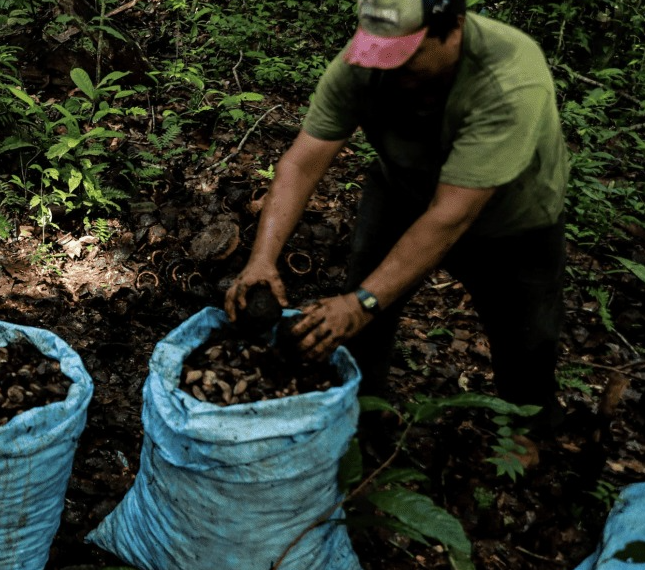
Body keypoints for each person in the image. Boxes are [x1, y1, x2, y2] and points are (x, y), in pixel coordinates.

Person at [224, 0, 569, 433]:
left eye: (403, 58)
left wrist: (362, 302)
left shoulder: (508, 78)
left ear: (454, 28)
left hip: (512, 219)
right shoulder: (365, 62)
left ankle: (530, 429)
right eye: (379, 55)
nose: (386, 70)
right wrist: (262, 259)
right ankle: (365, 417)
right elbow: (302, 163)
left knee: (525, 335)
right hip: (403, 189)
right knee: (363, 317)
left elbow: (450, 215)